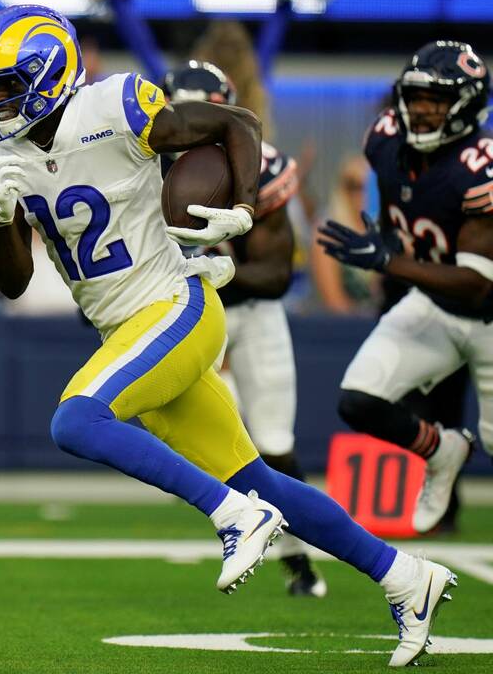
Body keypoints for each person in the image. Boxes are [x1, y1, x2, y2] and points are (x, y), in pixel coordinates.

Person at [0, 5, 455, 668]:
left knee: (75, 422)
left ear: (47, 74)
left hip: (175, 305)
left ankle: (231, 516)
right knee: (262, 481)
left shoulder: (116, 105)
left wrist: (245, 205)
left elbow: (236, 123)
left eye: (2, 85)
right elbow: (14, 281)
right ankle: (404, 576)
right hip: (122, 328)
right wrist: (1, 217)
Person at [163, 61, 324, 597]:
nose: (191, 129)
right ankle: (240, 526)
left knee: (275, 443)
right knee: (209, 440)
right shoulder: (138, 166)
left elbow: (277, 274)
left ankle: (301, 563)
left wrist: (218, 270)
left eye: (204, 115)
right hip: (183, 313)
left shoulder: (261, 166)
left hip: (249, 316)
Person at [320, 40, 491, 536]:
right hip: (433, 303)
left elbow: (477, 282)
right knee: (359, 399)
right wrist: (392, 244)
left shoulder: (480, 167)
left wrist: (390, 260)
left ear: (468, 103)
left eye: (435, 100)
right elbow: (408, 201)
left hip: (486, 313)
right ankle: (442, 449)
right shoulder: (385, 140)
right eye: (415, 97)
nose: (420, 110)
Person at [309, 156, 381, 315]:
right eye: (354, 186)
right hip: (345, 330)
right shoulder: (328, 235)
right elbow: (334, 302)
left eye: (370, 186)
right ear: (343, 190)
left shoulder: (387, 233)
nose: (362, 194)